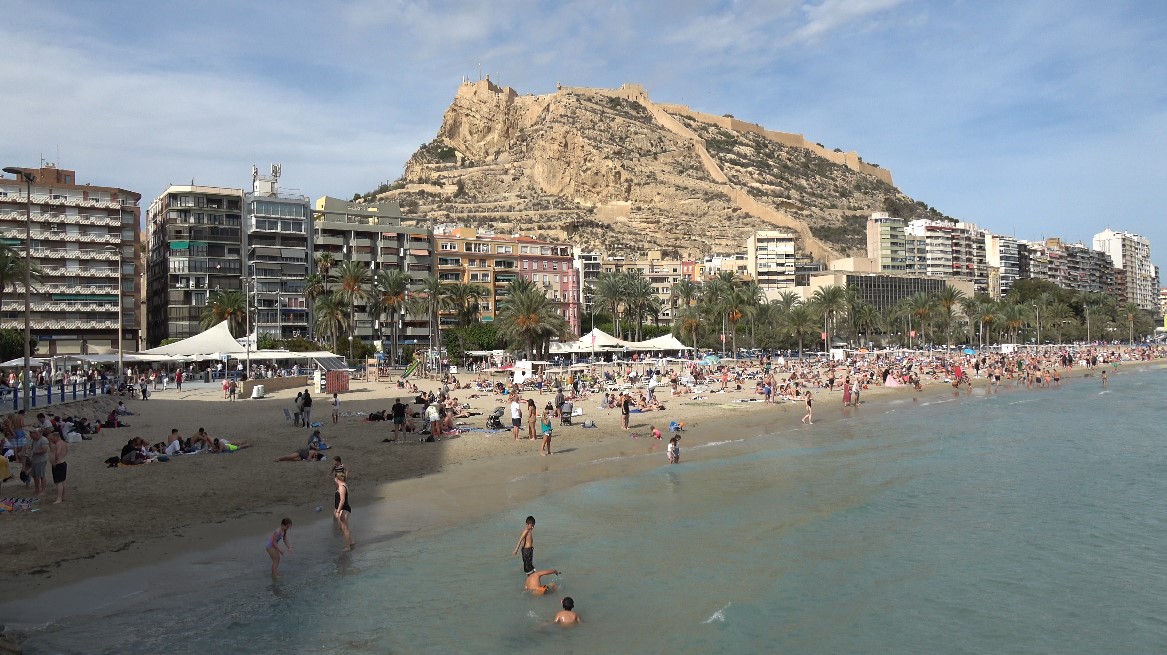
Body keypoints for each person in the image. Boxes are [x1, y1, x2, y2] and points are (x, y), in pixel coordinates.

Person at [334, 471, 354, 551]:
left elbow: (342, 500)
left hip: (344, 509)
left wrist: (338, 511)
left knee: (344, 528)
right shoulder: (343, 484)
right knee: (342, 528)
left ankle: (347, 547)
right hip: (343, 509)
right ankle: (351, 542)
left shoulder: (342, 487)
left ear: (337, 478)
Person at [28, 428, 50, 496]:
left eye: (32, 434)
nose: (31, 436)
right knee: (35, 475)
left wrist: (34, 451)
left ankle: (43, 490)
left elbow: (44, 450)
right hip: (34, 460)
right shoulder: (33, 440)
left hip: (41, 460)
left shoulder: (43, 440)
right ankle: (37, 489)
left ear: (37, 434)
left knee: (41, 475)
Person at [48, 431, 67, 504]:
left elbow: (57, 453)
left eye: (52, 438)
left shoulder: (58, 443)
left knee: (58, 482)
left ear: (56, 437)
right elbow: (66, 450)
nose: (52, 440)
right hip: (63, 462)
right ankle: (63, 496)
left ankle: (59, 498)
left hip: (59, 464)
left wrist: (55, 461)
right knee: (63, 480)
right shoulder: (63, 442)